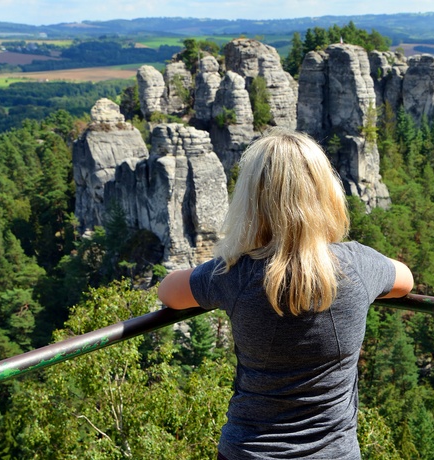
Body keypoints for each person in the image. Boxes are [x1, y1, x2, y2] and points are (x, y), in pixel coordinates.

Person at [158, 127, 413, 460]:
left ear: (251, 202)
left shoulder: (234, 274)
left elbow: (168, 292)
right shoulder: (358, 265)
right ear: (325, 195)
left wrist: (232, 254)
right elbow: (405, 280)